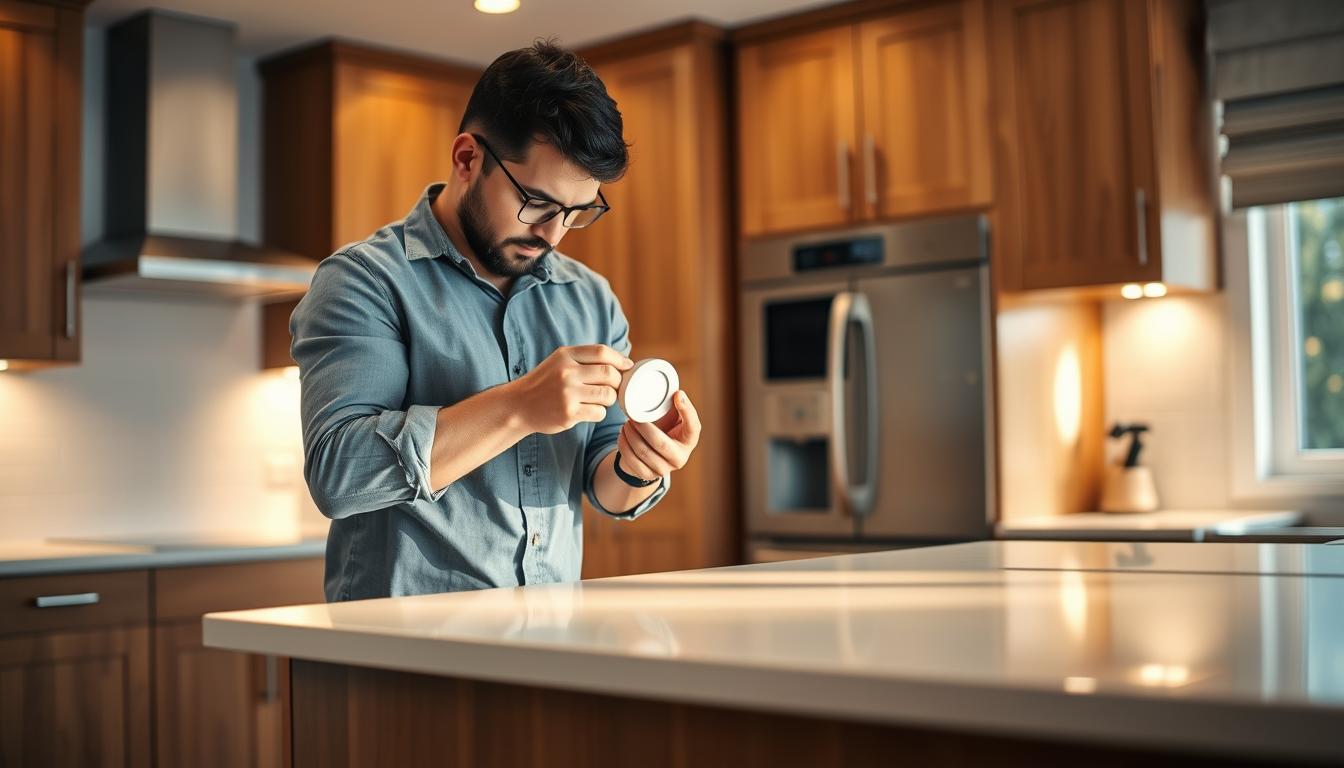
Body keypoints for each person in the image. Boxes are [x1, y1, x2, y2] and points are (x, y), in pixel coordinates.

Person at [290, 40, 701, 601]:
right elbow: (340, 475)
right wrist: (518, 406)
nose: (553, 234)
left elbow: (603, 484)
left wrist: (640, 464)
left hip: (551, 637)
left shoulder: (590, 298)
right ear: (467, 159)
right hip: (405, 652)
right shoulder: (365, 281)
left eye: (578, 213)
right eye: (537, 203)